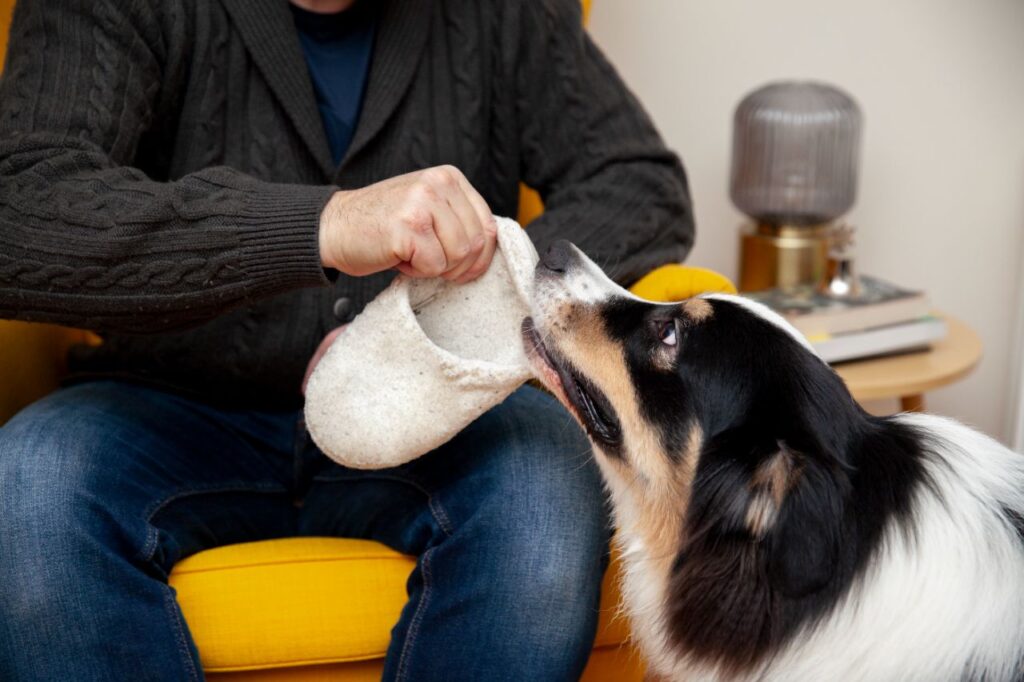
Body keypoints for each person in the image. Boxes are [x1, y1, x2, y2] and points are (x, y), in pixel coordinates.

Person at [0, 0, 694, 679]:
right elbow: (21, 211)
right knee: (28, 487)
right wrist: (323, 225)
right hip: (167, 404)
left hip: (436, 418)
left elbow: (640, 185)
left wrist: (432, 316)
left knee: (545, 492)